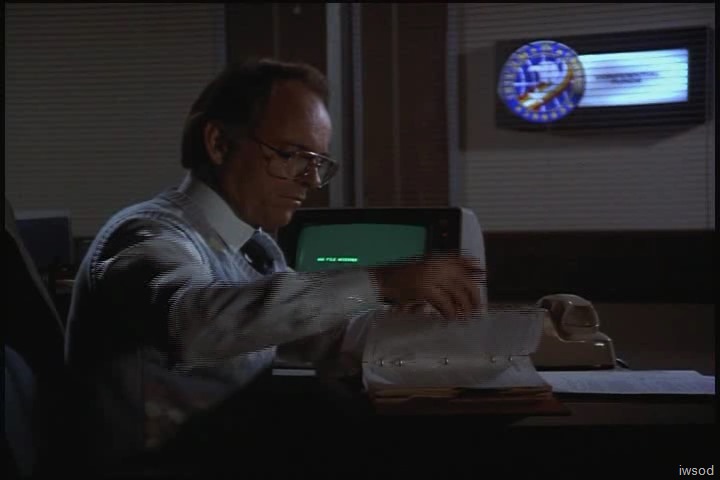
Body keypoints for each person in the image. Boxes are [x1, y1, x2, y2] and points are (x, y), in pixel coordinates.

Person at [64, 58, 484, 475]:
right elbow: (190, 323)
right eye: (291, 155)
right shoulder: (147, 234)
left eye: (317, 162)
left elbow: (313, 333)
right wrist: (380, 281)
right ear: (219, 143)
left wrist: (417, 329)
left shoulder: (254, 248)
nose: (310, 180)